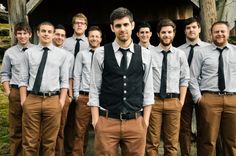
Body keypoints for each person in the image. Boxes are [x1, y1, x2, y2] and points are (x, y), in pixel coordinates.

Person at [88, 7, 154, 156]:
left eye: (125, 24)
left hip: (136, 121)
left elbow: (148, 89)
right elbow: (94, 88)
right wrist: (96, 121)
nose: (122, 29)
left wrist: (145, 122)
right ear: (112, 28)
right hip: (107, 120)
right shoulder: (100, 53)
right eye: (118, 25)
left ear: (132, 25)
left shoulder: (145, 54)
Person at [19, 21, 69, 156]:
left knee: (49, 142)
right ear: (37, 33)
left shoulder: (62, 55)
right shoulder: (28, 53)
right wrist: (24, 101)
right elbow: (23, 80)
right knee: (30, 142)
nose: (46, 34)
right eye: (43, 31)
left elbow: (64, 81)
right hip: (32, 99)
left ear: (53, 34)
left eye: (49, 31)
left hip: (53, 100)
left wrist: (61, 102)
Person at [189, 21, 236, 156]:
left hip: (233, 99)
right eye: (216, 32)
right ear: (211, 34)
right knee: (208, 140)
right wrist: (199, 98)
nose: (220, 34)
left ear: (228, 33)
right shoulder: (201, 52)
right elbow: (192, 77)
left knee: (232, 141)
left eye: (222, 31)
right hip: (209, 99)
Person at [146, 19, 190, 156]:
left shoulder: (180, 55)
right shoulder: (149, 54)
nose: (166, 35)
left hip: (173, 102)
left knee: (171, 143)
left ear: (174, 34)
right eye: (163, 32)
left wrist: (181, 102)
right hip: (154, 102)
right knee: (152, 142)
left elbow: (185, 79)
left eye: (169, 32)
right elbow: (144, 79)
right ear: (158, 34)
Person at [0, 22, 34, 156]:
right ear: (15, 35)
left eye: (25, 33)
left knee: (32, 127)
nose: (22, 36)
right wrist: (9, 92)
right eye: (19, 33)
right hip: (15, 91)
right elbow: (4, 74)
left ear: (30, 35)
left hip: (32, 93)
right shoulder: (10, 53)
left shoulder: (37, 51)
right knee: (16, 128)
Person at [178, 17, 210, 156]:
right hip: (184, 93)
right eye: (188, 28)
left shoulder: (208, 49)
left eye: (194, 27)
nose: (191, 30)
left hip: (203, 92)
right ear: (185, 31)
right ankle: (186, 154)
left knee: (204, 126)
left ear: (199, 29)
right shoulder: (178, 51)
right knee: (184, 128)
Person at [72, 25, 102, 156]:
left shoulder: (106, 54)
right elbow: (77, 75)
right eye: (92, 36)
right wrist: (76, 95)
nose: (94, 38)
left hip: (101, 98)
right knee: (80, 131)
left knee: (101, 131)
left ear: (100, 38)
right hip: (84, 97)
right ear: (88, 38)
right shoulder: (81, 54)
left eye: (96, 36)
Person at [63, 13, 89, 155]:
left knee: (81, 125)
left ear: (86, 26)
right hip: (66, 87)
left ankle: (81, 151)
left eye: (82, 23)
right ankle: (67, 151)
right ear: (73, 25)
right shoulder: (65, 42)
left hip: (82, 88)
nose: (79, 25)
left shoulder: (91, 42)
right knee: (67, 122)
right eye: (77, 22)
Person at [53, 24, 74, 156]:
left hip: (63, 95)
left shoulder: (69, 56)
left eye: (62, 35)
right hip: (47, 95)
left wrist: (70, 96)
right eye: (57, 34)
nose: (60, 37)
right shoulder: (42, 51)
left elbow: (70, 77)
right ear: (53, 35)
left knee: (60, 128)